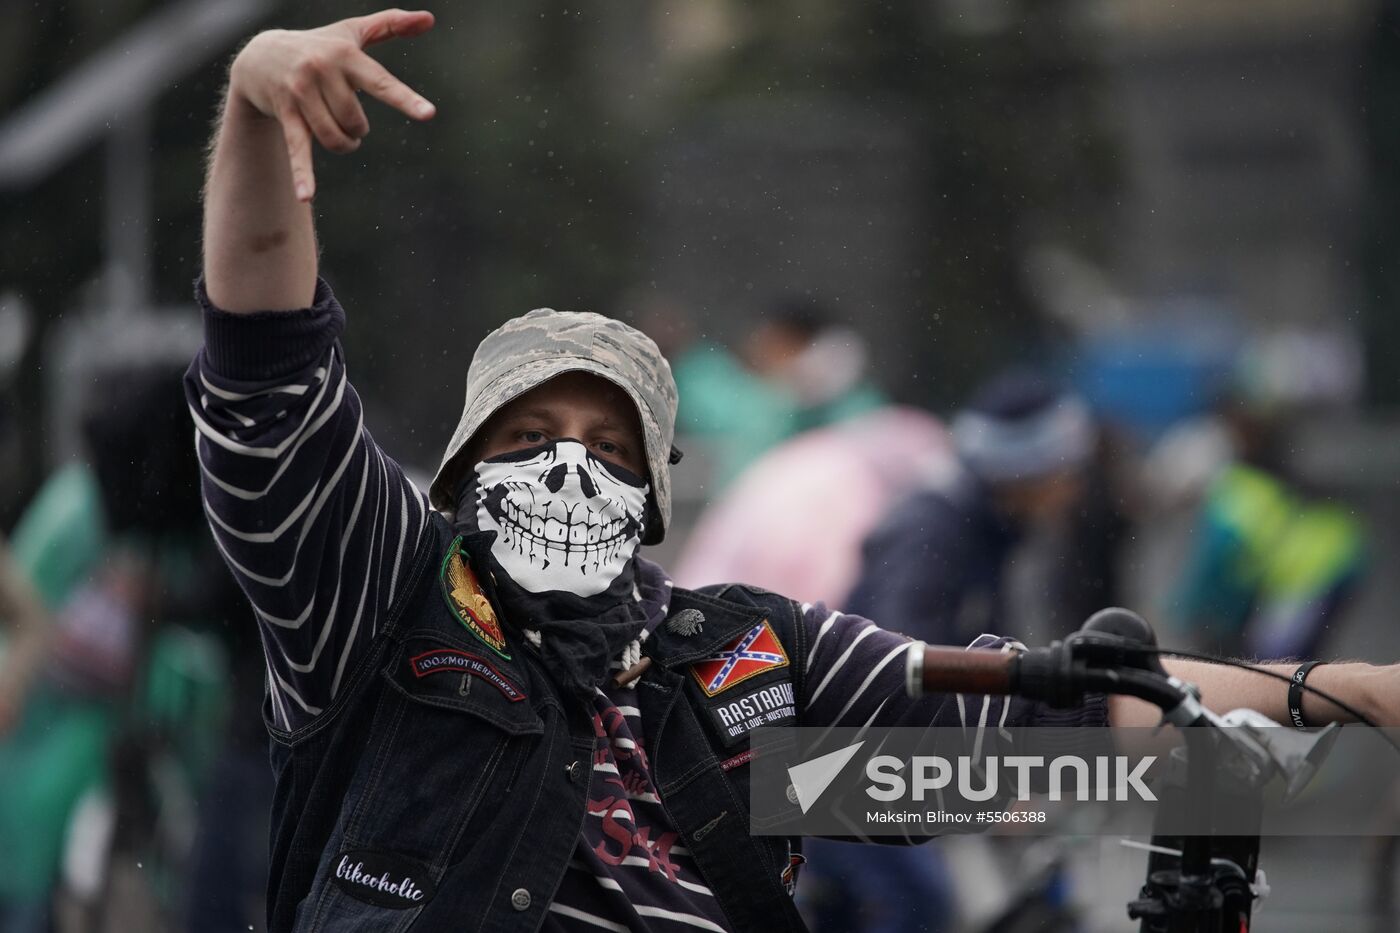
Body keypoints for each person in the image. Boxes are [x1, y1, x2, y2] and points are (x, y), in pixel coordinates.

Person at [191, 11, 1400, 932]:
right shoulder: (379, 605)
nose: (566, 471)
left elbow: (1055, 728)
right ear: (457, 476)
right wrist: (254, 98)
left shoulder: (741, 664)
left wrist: (1351, 692)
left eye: (607, 449)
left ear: (652, 500)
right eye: (524, 440)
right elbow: (266, 377)